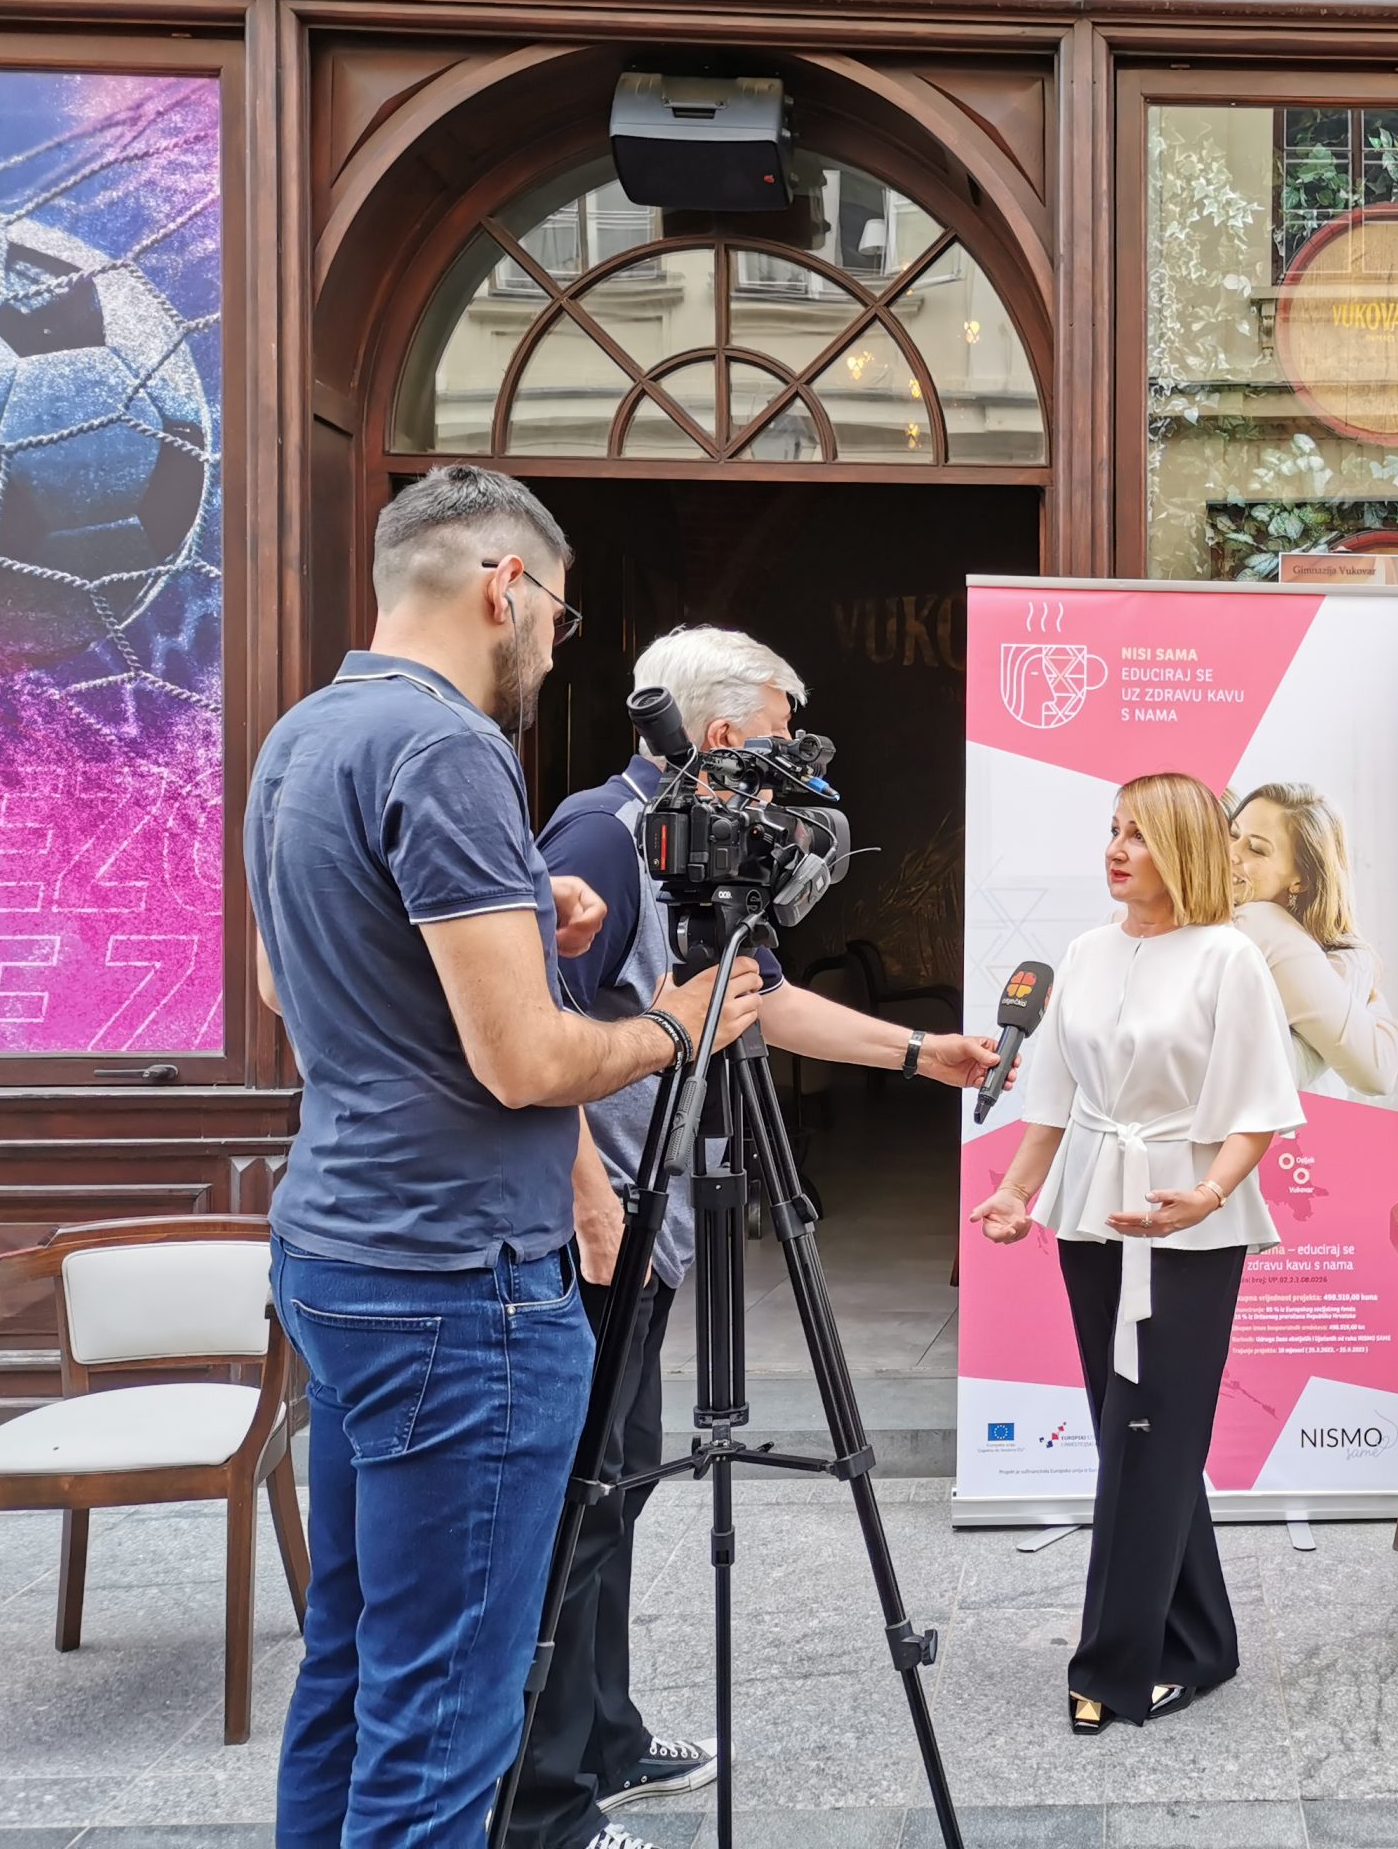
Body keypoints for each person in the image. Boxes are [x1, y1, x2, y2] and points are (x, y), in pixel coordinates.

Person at [244, 466, 760, 1849]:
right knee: (444, 1714)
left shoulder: (303, 735)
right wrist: (676, 1024)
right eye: (558, 618)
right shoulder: (448, 747)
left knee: (355, 1663)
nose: (550, 649)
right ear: (504, 585)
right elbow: (526, 1062)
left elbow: (292, 984)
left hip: (339, 1248)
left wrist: (527, 914)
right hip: (456, 1280)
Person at [515, 626, 1003, 1849]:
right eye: (787, 737)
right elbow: (531, 1035)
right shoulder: (599, 837)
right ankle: (547, 1801)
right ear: (725, 733)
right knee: (585, 1504)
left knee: (619, 1488)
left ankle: (607, 1738)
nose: (802, 766)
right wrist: (588, 1199)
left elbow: (760, 1001)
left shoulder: (702, 853)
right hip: (599, 1225)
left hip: (649, 1218)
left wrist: (918, 1053)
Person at [967, 773, 1301, 1735]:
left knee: (1148, 1437)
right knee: (1137, 1434)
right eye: (1113, 831)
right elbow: (1054, 1100)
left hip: (1189, 1222)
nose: (1116, 850)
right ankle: (1203, 1643)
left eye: (1140, 836)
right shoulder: (1085, 951)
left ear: (1184, 848)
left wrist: (1208, 1193)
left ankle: (1113, 1667)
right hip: (1092, 1215)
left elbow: (1259, 1107)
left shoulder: (1230, 957)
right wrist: (1015, 1192)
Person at [1227, 781, 1398, 1099]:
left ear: (1300, 880)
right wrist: (1380, 1015)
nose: (1230, 853)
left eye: (1256, 849)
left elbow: (1376, 1074)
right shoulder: (1347, 961)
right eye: (1232, 834)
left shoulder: (1266, 926)